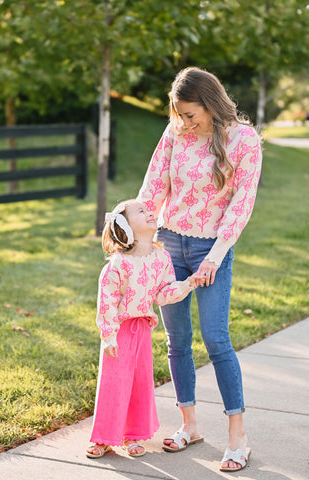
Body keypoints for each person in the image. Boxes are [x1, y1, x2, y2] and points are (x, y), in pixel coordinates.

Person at [137, 66, 262, 472]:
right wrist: (137, 240)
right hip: (169, 243)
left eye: (191, 114)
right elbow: (153, 186)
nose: (184, 123)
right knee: (177, 338)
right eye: (180, 115)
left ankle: (237, 437)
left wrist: (214, 255)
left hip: (213, 248)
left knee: (216, 338)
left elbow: (240, 207)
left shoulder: (244, 140)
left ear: (209, 103)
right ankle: (188, 424)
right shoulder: (176, 133)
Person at [86, 199, 202, 459]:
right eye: (141, 211)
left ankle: (134, 435)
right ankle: (104, 437)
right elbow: (107, 302)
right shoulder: (118, 265)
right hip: (120, 330)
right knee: (114, 384)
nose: (150, 212)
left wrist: (186, 285)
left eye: (150, 211)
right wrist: (109, 335)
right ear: (126, 226)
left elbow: (162, 294)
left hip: (143, 328)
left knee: (140, 383)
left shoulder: (161, 258)